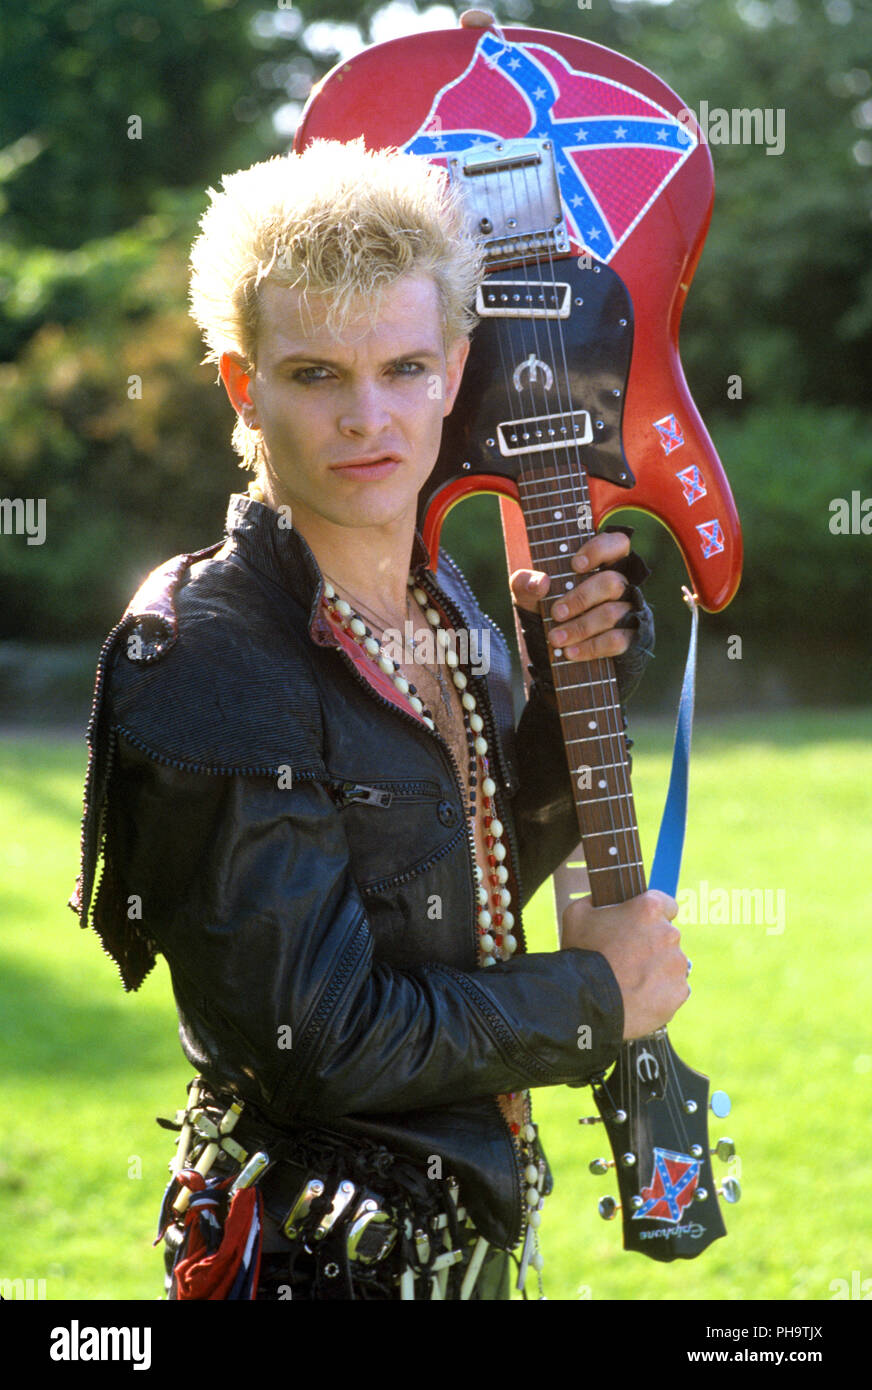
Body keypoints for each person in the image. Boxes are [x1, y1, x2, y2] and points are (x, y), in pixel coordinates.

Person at [69, 134, 689, 1301]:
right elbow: (323, 1036)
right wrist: (594, 998)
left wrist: (568, 688)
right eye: (315, 374)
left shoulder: (438, 592)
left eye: (403, 366)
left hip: (463, 1249)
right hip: (311, 1262)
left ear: (455, 370)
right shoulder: (205, 651)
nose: (369, 418)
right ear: (244, 386)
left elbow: (468, 881)